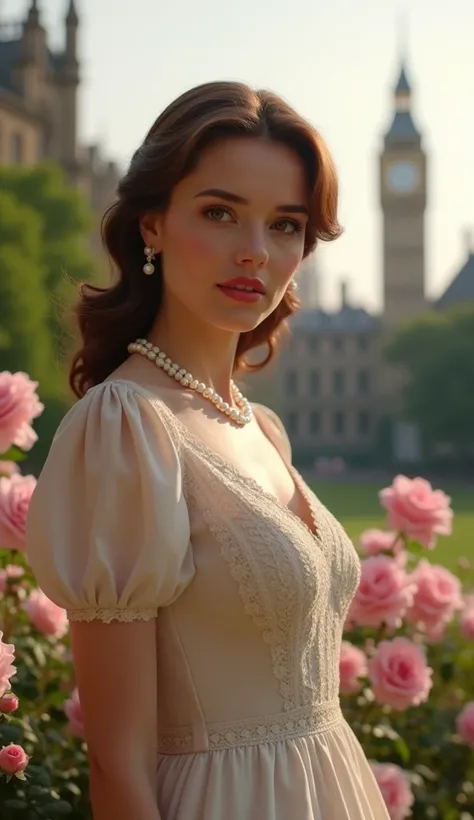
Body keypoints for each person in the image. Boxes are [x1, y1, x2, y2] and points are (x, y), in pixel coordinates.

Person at [26, 81, 389, 820]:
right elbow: (115, 761)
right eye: (220, 213)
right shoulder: (128, 427)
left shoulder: (264, 428)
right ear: (152, 225)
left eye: (285, 225)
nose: (254, 253)